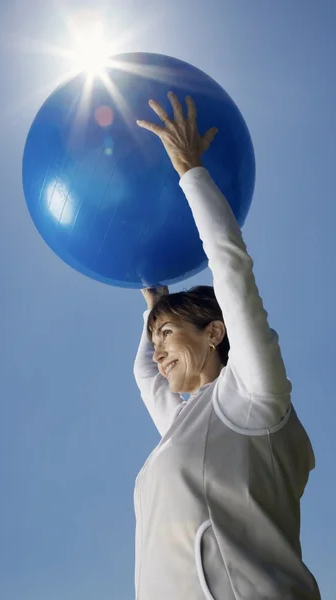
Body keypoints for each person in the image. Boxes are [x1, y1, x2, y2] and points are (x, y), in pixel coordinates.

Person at [133, 92, 321, 600]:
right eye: (156, 340)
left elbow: (231, 269)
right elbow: (145, 376)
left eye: (169, 335)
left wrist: (190, 171)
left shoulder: (253, 396)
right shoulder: (183, 426)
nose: (157, 351)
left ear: (215, 332)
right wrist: (155, 307)